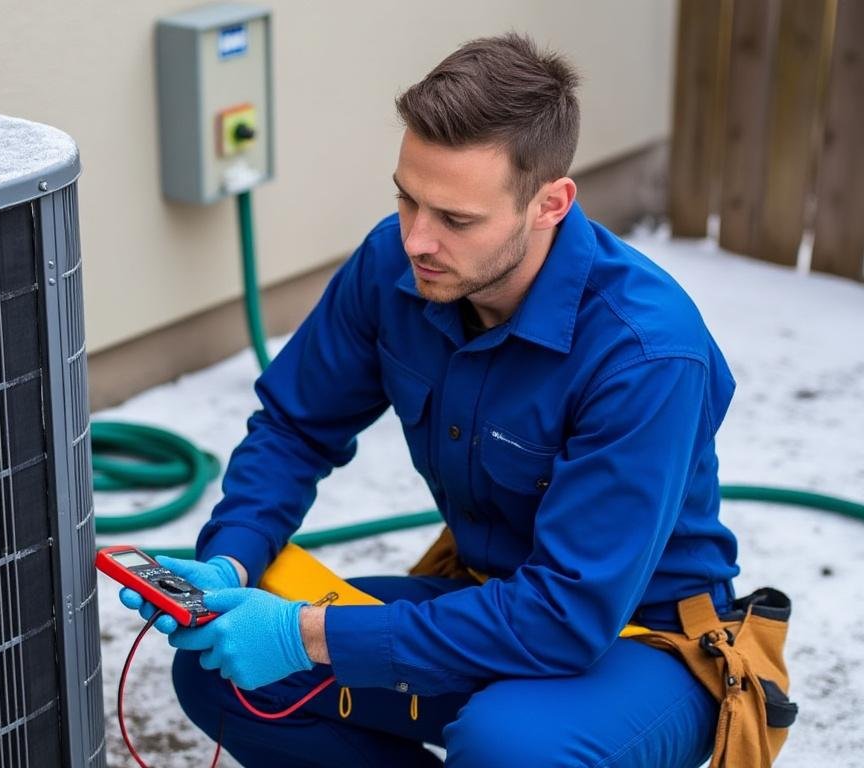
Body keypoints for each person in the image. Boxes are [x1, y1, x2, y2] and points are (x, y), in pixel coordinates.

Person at [119, 33, 744, 767]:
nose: (417, 239)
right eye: (407, 198)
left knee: (510, 747)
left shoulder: (644, 352)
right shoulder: (398, 264)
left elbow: (566, 617)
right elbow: (294, 426)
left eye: (456, 218)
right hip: (487, 601)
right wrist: (231, 563)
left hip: (644, 641)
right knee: (224, 672)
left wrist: (303, 634)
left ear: (550, 204)